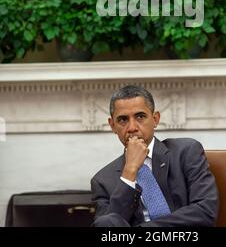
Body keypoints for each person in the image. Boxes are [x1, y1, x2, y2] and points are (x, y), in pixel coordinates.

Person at [91, 84, 219, 227]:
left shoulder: (186, 152)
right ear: (112, 125)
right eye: (123, 120)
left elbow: (205, 212)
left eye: (140, 116)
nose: (132, 127)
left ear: (155, 119)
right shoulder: (102, 181)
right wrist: (129, 172)